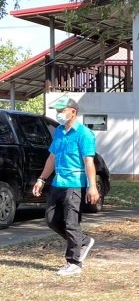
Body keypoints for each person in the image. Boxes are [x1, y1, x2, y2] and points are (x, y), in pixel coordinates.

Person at [32, 96, 99, 277]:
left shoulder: (84, 134)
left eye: (62, 110)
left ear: (73, 112)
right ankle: (83, 241)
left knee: (71, 223)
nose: (59, 114)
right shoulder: (60, 131)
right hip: (57, 183)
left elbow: (89, 162)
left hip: (75, 185)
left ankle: (74, 262)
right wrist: (42, 179)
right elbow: (52, 158)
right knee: (51, 219)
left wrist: (92, 186)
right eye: (58, 111)